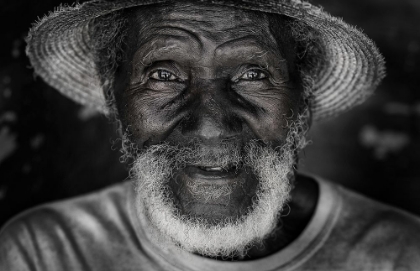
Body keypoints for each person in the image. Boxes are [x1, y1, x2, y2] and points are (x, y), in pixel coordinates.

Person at [1, 0, 420, 270]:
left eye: (253, 74)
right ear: (114, 99)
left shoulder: (402, 255)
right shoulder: (43, 252)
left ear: (303, 101)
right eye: (164, 76)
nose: (211, 124)